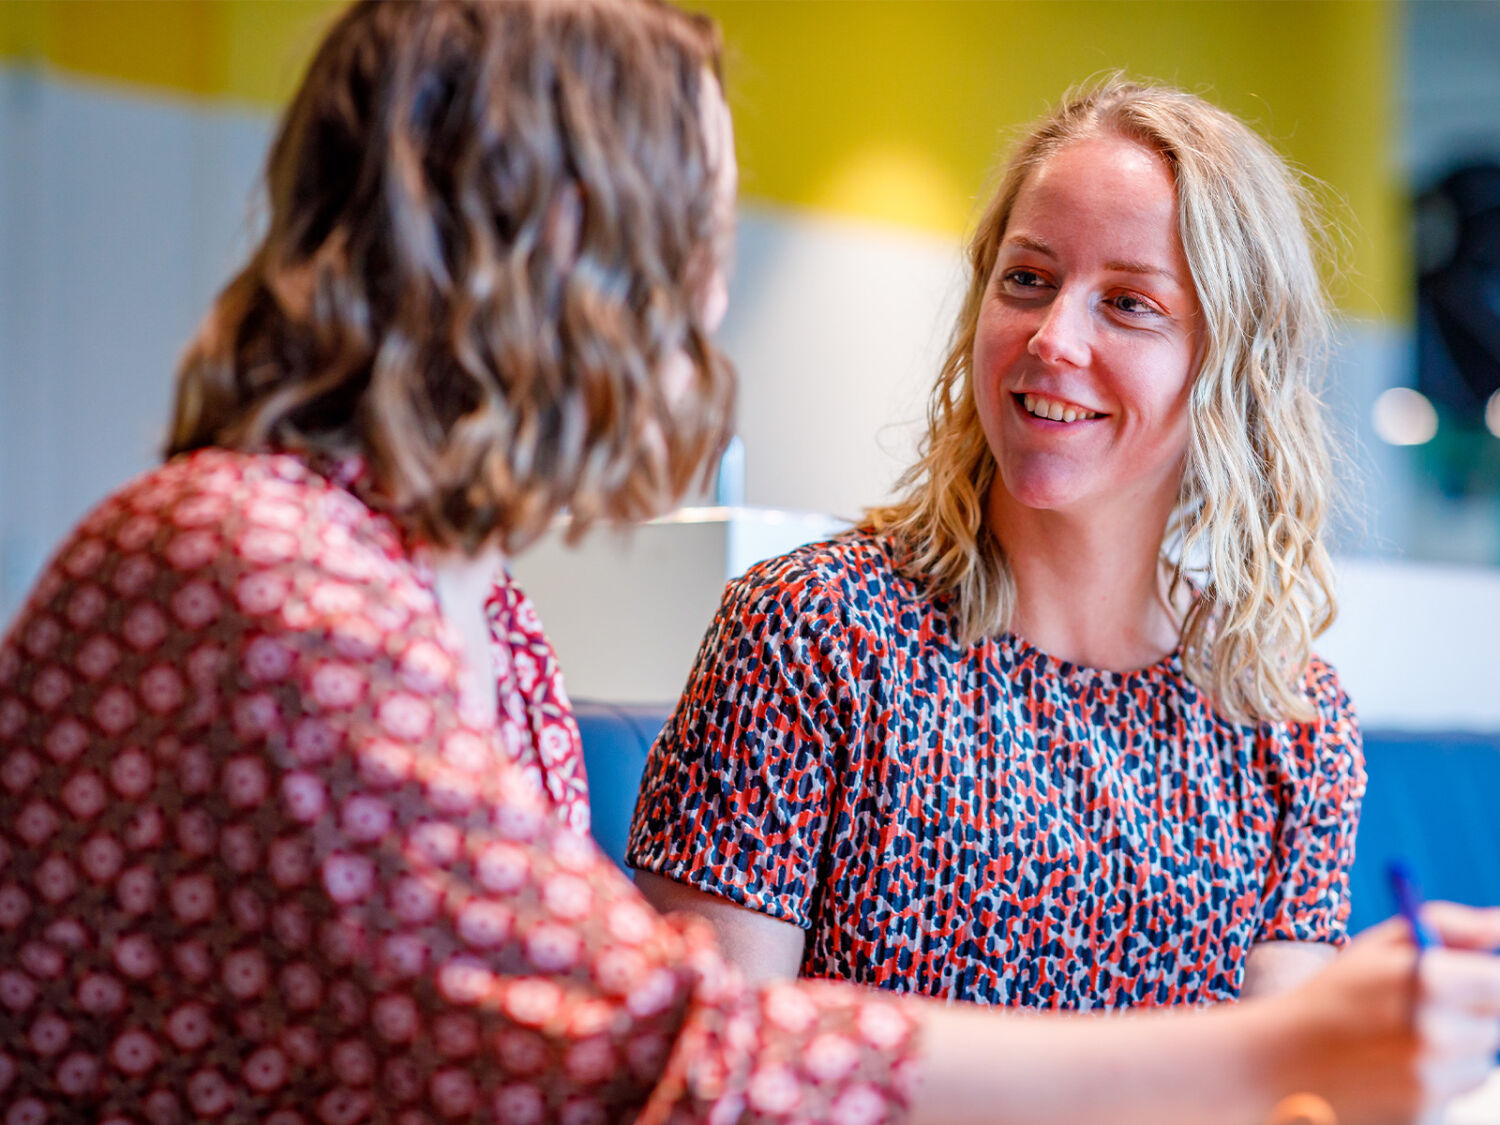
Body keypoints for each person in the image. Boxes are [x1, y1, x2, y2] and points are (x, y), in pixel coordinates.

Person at [0, 6, 1497, 1123]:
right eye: (689, 237)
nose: (710, 303)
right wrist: (1276, 1048)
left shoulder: (482, 618)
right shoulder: (263, 576)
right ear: (538, 252)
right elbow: (672, 1056)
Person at [630, 78, 1373, 1008]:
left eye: (1129, 302)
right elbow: (715, 1051)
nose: (1053, 338)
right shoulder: (812, 631)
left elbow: (1280, 1068)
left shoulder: (1289, 722)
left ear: (1234, 363)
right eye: (1027, 280)